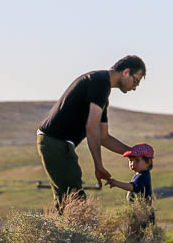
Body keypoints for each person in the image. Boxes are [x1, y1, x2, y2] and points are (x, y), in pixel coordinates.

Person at [37, 55, 146, 211]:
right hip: (55, 143)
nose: (134, 87)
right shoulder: (100, 82)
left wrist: (132, 152)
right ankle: (69, 235)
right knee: (75, 202)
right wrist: (98, 165)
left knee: (70, 200)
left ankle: (64, 234)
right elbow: (91, 127)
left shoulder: (102, 90)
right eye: (135, 81)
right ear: (126, 72)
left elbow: (103, 137)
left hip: (60, 145)